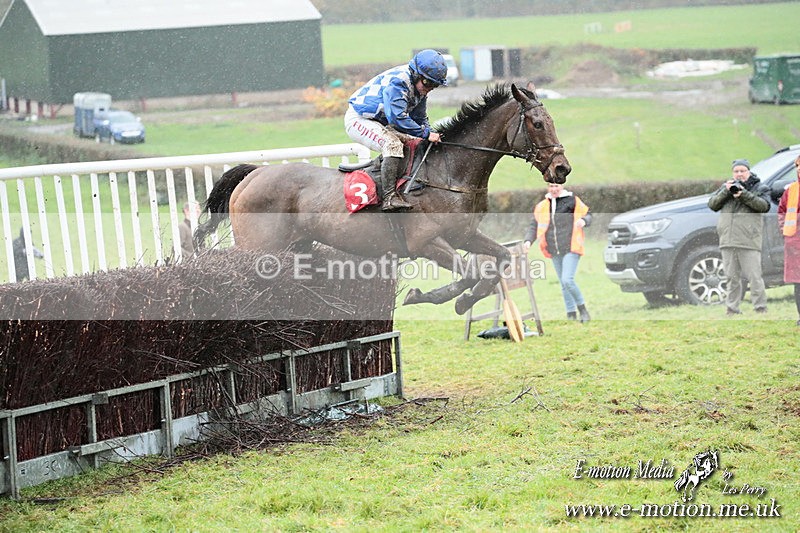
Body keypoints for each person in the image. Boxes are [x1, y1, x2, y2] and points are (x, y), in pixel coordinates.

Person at [345, 49, 447, 211]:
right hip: (360, 119)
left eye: (435, 84)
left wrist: (431, 133)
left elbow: (420, 120)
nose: (430, 88)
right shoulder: (399, 82)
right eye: (428, 83)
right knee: (392, 144)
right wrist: (427, 133)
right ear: (415, 74)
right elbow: (397, 118)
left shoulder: (419, 88)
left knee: (414, 141)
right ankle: (389, 197)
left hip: (381, 122)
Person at [708, 159, 771, 315]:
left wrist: (743, 195)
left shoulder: (759, 187)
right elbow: (712, 204)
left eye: (742, 171)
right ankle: (732, 308)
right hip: (728, 240)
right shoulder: (727, 188)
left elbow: (763, 206)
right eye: (736, 171)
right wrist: (726, 191)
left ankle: (760, 308)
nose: (739, 174)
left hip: (749, 240)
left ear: (748, 172)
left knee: (754, 277)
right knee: (731, 278)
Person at [523, 182, 592, 322]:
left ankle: (583, 310)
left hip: (571, 247)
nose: (554, 189)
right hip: (554, 250)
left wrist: (584, 221)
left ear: (562, 187)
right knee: (563, 283)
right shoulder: (542, 206)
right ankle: (571, 313)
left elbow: (588, 215)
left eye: (556, 186)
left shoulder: (572, 201)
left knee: (568, 280)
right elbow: (534, 226)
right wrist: (528, 241)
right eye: (551, 186)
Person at [778, 154, 800, 326]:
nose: (799, 169)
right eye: (797, 166)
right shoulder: (791, 190)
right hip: (795, 244)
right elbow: (782, 213)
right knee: (798, 283)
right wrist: (785, 231)